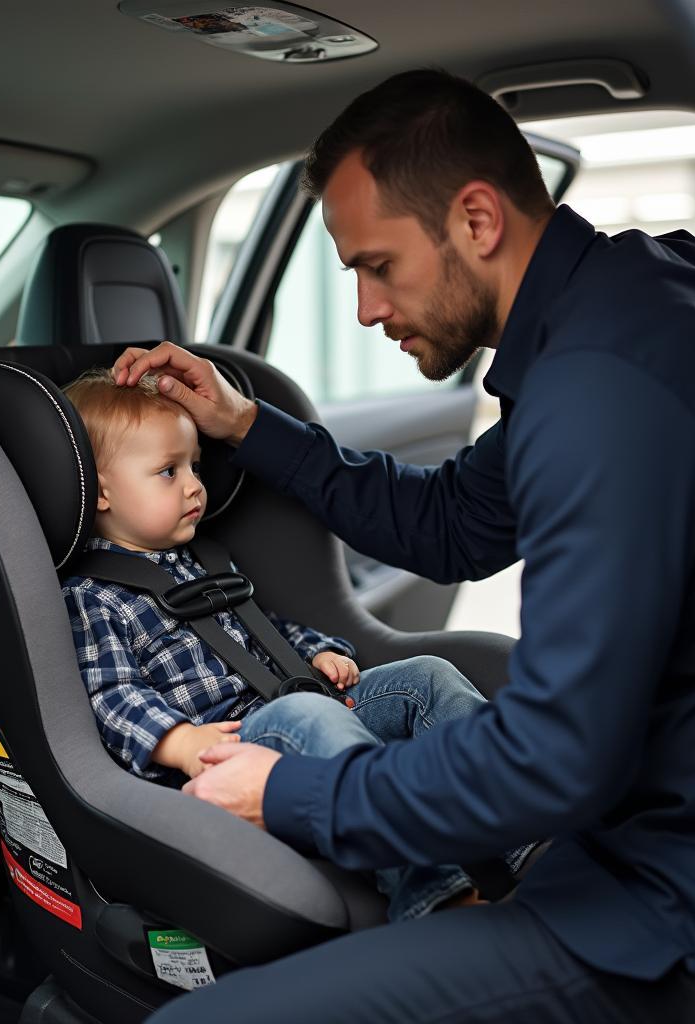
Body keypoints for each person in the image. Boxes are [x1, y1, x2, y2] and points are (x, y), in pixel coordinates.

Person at [111, 69, 695, 1023]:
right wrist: (245, 425)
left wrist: (295, 790)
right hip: (682, 831)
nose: (365, 308)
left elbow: (554, 759)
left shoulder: (600, 388)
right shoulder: (631, 309)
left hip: (677, 911)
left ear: (477, 220)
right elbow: (450, 525)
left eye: (377, 265)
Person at [60, 367, 533, 921]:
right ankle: (434, 893)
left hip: (293, 708)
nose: (194, 485)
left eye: (193, 465)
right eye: (168, 472)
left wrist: (317, 652)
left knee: (426, 675)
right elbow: (110, 696)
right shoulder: (93, 597)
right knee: (311, 715)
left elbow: (265, 629)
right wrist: (181, 742)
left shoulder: (205, 560)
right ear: (103, 494)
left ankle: (523, 835)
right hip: (227, 750)